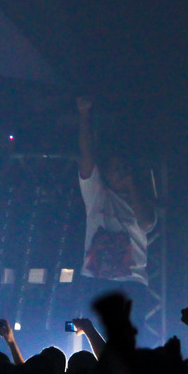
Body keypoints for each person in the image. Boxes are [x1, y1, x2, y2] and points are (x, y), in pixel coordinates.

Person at [76, 96, 156, 284]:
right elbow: (86, 155)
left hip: (131, 280)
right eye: (115, 169)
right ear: (105, 173)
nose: (120, 173)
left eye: (123, 169)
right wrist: (84, 115)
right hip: (96, 279)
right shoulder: (97, 195)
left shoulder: (142, 199)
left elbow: (146, 223)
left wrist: (131, 186)